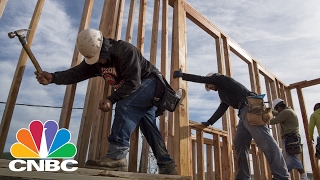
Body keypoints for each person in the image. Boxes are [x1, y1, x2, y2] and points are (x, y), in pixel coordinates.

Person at [35, 28, 178, 175]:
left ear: (102, 47)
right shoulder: (95, 61)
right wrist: (53, 77)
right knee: (148, 126)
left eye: (99, 58)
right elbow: (75, 74)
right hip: (140, 91)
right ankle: (167, 164)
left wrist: (111, 99)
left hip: (151, 84)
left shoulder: (125, 51)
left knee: (125, 104)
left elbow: (133, 83)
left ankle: (117, 156)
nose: (99, 62)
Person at [172, 70, 289, 180]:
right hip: (243, 114)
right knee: (240, 143)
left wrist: (183, 75)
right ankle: (243, 176)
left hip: (250, 108)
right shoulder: (224, 93)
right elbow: (222, 108)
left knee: (265, 141)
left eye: (209, 85)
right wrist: (209, 122)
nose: (210, 88)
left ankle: (281, 176)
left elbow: (201, 79)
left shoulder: (221, 79)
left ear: (211, 79)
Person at [270, 98, 309, 180]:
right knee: (288, 158)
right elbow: (276, 113)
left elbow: (273, 121)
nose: (277, 110)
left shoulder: (286, 112)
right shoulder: (287, 111)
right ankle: (287, 176)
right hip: (291, 137)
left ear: (279, 106)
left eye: (276, 108)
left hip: (291, 138)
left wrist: (261, 118)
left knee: (292, 158)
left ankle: (303, 177)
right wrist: (268, 111)